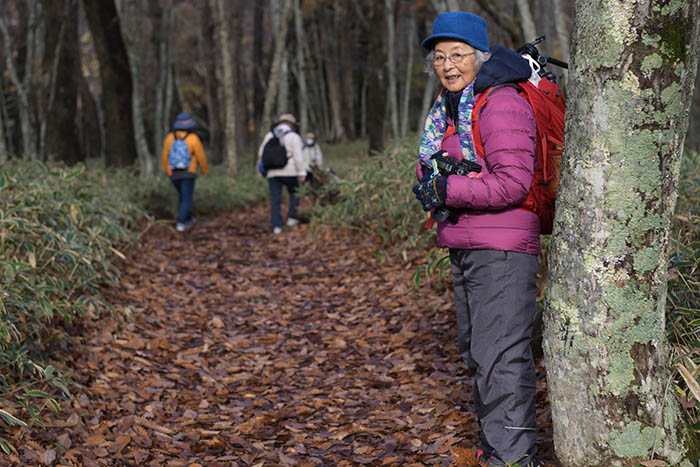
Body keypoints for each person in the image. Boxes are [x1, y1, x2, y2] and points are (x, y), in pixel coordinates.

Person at [412, 11, 540, 466]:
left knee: (501, 356)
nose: (448, 65)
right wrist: (432, 181)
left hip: (502, 248)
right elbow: (442, 167)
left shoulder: (500, 102)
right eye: (440, 57)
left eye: (458, 55)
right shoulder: (452, 107)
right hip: (468, 243)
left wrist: (447, 188)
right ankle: (499, 448)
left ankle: (514, 459)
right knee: (479, 353)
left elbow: (513, 183)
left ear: (480, 57)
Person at [257, 113, 306, 234]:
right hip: (290, 171)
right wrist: (302, 171)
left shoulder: (269, 135)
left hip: (272, 173)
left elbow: (261, 154)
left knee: (275, 199)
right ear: (292, 125)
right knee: (294, 194)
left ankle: (276, 226)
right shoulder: (294, 136)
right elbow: (298, 156)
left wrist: (263, 170)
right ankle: (291, 218)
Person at [161, 112, 209, 232]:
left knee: (183, 196)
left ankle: (188, 219)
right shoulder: (193, 138)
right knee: (186, 198)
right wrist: (204, 169)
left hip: (173, 173)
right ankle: (181, 223)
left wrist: (167, 170)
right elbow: (201, 156)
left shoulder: (169, 138)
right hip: (189, 172)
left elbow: (164, 156)